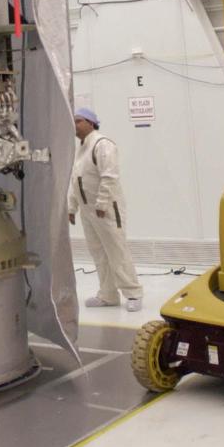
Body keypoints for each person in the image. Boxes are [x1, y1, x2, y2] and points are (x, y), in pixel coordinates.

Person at [68, 107, 143, 311]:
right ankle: (108, 295)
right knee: (99, 254)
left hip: (107, 209)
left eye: (78, 121)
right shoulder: (81, 147)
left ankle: (133, 293)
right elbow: (77, 179)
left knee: (116, 252)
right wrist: (72, 207)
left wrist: (101, 204)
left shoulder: (103, 145)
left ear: (91, 123)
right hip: (88, 211)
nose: (74, 125)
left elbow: (109, 176)